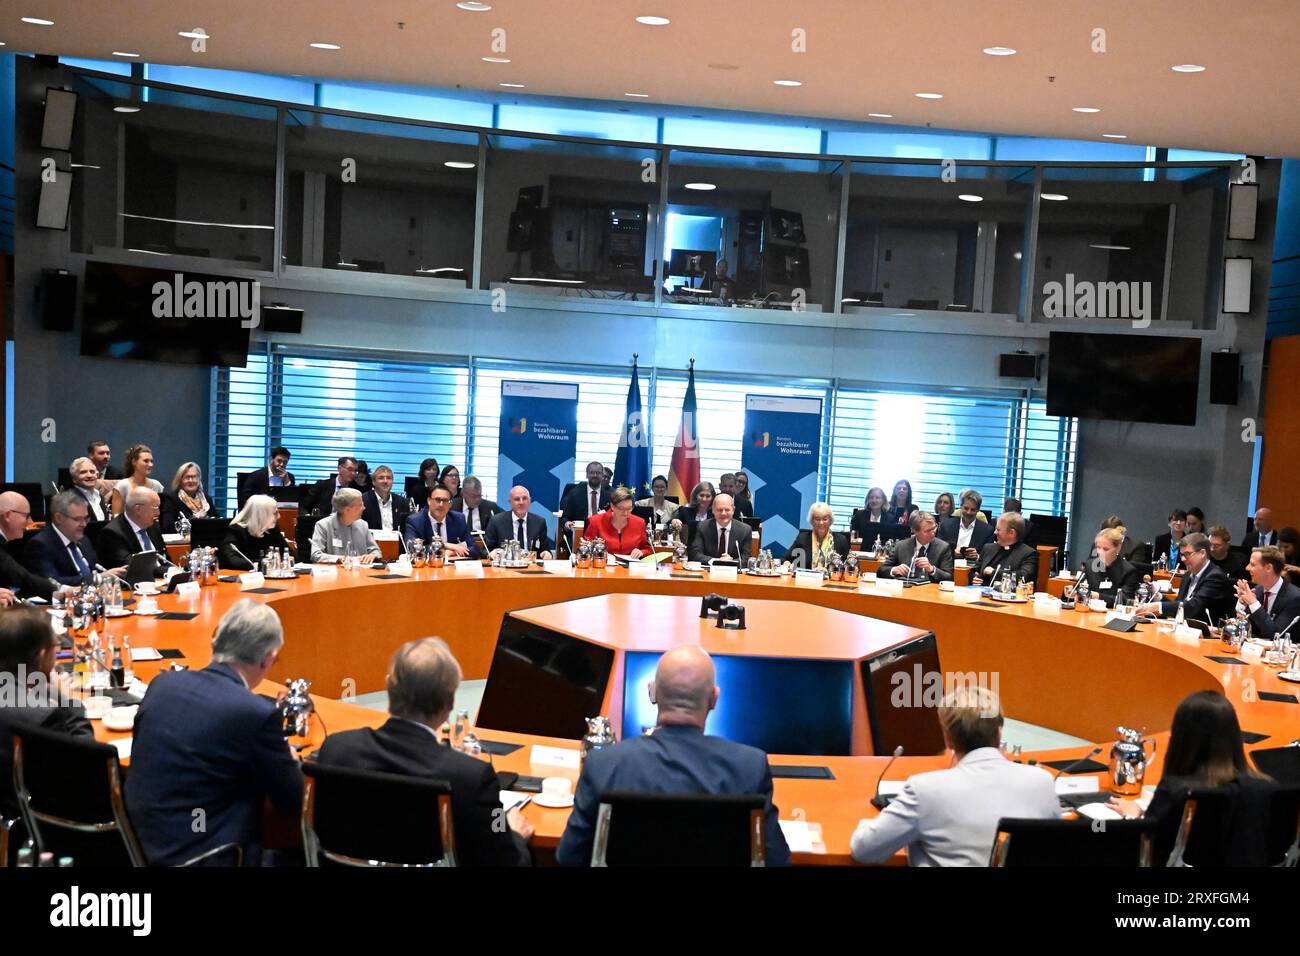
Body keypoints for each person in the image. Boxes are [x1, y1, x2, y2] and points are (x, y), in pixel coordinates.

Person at [556, 645, 790, 866]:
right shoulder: (749, 767)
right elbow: (776, 859)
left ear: (653, 693)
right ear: (713, 699)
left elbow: (569, 856)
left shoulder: (603, 764)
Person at [315, 638, 533, 866]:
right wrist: (515, 834)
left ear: (389, 688)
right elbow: (506, 861)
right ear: (449, 703)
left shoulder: (336, 750)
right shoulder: (471, 778)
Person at [125, 599, 304, 866]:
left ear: (214, 644)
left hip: (139, 845)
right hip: (209, 855)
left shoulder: (162, 684)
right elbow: (292, 800)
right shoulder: (255, 713)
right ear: (269, 659)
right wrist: (289, 759)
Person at [849, 686, 1058, 866]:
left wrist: (870, 824)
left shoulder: (925, 790)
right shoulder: (1042, 782)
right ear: (999, 733)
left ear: (948, 738)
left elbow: (864, 851)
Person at [1108, 691, 1274, 865]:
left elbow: (1151, 849)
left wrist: (1134, 817)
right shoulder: (1265, 788)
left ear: (1180, 737)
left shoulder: (1176, 791)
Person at [0, 607, 93, 821]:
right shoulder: (44, 716)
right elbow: (87, 771)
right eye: (56, 646)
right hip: (43, 819)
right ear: (42, 654)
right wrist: (69, 701)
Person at [1136, 532, 1235, 624]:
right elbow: (1180, 606)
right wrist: (1158, 596)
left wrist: (1157, 607)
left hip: (1208, 636)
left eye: (1187, 554)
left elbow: (1194, 607)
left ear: (1202, 553)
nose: (1183, 559)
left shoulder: (1215, 577)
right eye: (1182, 555)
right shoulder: (1187, 576)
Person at [22, 490, 116, 585]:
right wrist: (98, 578)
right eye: (77, 519)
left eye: (86, 518)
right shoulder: (41, 545)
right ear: (59, 518)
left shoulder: (84, 540)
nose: (84, 524)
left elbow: (97, 570)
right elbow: (52, 582)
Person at [1232, 546, 1300, 641]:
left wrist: (1253, 603)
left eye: (1252, 564)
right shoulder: (1258, 590)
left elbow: (1277, 635)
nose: (1247, 568)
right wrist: (1242, 604)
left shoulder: (1294, 598)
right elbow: (1240, 630)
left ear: (1268, 568)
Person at [97, 487, 167, 574]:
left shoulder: (152, 526)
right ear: (138, 509)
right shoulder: (112, 533)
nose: (158, 513)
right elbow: (133, 568)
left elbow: (165, 559)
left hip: (162, 580)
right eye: (155, 508)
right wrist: (169, 571)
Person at [220, 495, 292, 571]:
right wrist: (266, 564)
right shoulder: (236, 530)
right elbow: (233, 560)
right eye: (275, 513)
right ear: (262, 515)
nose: (279, 517)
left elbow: (289, 555)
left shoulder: (272, 530)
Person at [880, 510, 954, 582]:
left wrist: (931, 569)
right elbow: (881, 571)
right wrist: (894, 570)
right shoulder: (901, 546)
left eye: (934, 528)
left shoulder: (943, 547)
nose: (933, 533)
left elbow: (949, 577)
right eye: (928, 531)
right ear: (915, 531)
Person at [311, 487, 380, 563]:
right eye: (360, 505)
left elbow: (375, 551)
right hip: (335, 572)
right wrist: (340, 559)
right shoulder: (323, 525)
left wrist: (372, 555)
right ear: (347, 509)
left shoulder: (363, 525)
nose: (364, 508)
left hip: (361, 571)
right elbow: (316, 555)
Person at [970, 512, 1039, 586]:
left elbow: (1022, 577)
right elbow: (973, 570)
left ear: (1012, 533)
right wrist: (973, 578)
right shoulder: (988, 548)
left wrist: (994, 572)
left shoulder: (1029, 554)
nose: (995, 532)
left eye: (998, 530)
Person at [483, 486, 553, 558]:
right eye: (517, 499)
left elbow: (545, 550)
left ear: (530, 501)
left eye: (525, 498)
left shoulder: (539, 522)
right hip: (505, 567)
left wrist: (547, 554)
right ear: (510, 502)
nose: (521, 502)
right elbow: (485, 550)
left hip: (531, 567)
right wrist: (491, 553)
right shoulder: (496, 521)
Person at [405, 483, 473, 557]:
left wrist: (451, 552)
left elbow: (473, 548)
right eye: (437, 500)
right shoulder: (415, 521)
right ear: (429, 501)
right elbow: (411, 548)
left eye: (445, 500)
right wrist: (446, 545)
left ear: (450, 504)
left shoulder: (458, 519)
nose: (441, 504)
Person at [584, 487, 651, 558]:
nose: (625, 513)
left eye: (629, 508)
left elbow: (648, 549)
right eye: (621, 509)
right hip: (603, 565)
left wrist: (641, 552)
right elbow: (586, 548)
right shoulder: (596, 521)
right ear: (612, 506)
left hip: (630, 567)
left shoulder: (639, 523)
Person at [687, 493, 753, 563]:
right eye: (719, 510)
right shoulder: (702, 527)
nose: (723, 513)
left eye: (727, 510)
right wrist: (716, 561)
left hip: (733, 572)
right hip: (709, 571)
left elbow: (745, 559)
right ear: (713, 510)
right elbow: (695, 554)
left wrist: (731, 561)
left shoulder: (745, 530)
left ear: (733, 510)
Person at [1085, 527, 1141, 607]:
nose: (1100, 552)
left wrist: (1097, 596)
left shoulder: (1129, 571)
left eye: (1105, 549)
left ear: (1118, 548)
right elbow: (1079, 589)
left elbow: (1126, 600)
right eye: (1098, 547)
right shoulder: (1090, 565)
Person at [560, 461, 611, 541]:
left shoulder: (610, 495)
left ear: (602, 476)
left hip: (603, 535)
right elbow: (565, 517)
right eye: (592, 472)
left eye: (598, 473)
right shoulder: (574, 494)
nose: (595, 475)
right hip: (580, 534)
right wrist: (567, 524)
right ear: (587, 475)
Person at [938, 489, 995, 562]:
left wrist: (977, 556)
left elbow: (989, 557)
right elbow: (938, 550)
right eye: (966, 508)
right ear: (961, 506)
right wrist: (952, 553)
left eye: (973, 510)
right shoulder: (946, 525)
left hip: (973, 570)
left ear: (978, 510)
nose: (968, 512)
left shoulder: (987, 531)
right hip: (949, 568)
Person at [161, 461, 218, 532]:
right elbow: (167, 527)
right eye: (187, 477)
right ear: (180, 480)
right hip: (183, 541)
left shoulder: (206, 499)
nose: (191, 481)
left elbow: (217, 523)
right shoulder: (170, 499)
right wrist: (195, 519)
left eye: (194, 477)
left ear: (199, 479)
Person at [789, 503, 849, 570]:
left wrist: (827, 571)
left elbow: (846, 568)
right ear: (812, 521)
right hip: (806, 579)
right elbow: (785, 559)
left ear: (830, 520)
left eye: (825, 519)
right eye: (817, 519)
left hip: (830, 579)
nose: (821, 523)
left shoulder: (841, 540)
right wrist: (787, 564)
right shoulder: (802, 538)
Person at [110, 444, 163, 516]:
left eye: (151, 461)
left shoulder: (157, 485)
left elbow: (162, 512)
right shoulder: (122, 486)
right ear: (134, 462)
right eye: (146, 461)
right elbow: (116, 516)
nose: (150, 465)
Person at [361, 465, 410, 534]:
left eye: (389, 478)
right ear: (373, 482)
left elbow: (406, 529)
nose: (385, 481)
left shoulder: (402, 502)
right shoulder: (364, 500)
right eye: (381, 478)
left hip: (396, 543)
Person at [68, 456, 111, 522]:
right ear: (74, 479)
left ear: (97, 475)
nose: (89, 475)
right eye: (83, 472)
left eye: (92, 472)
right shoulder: (70, 499)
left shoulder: (99, 496)